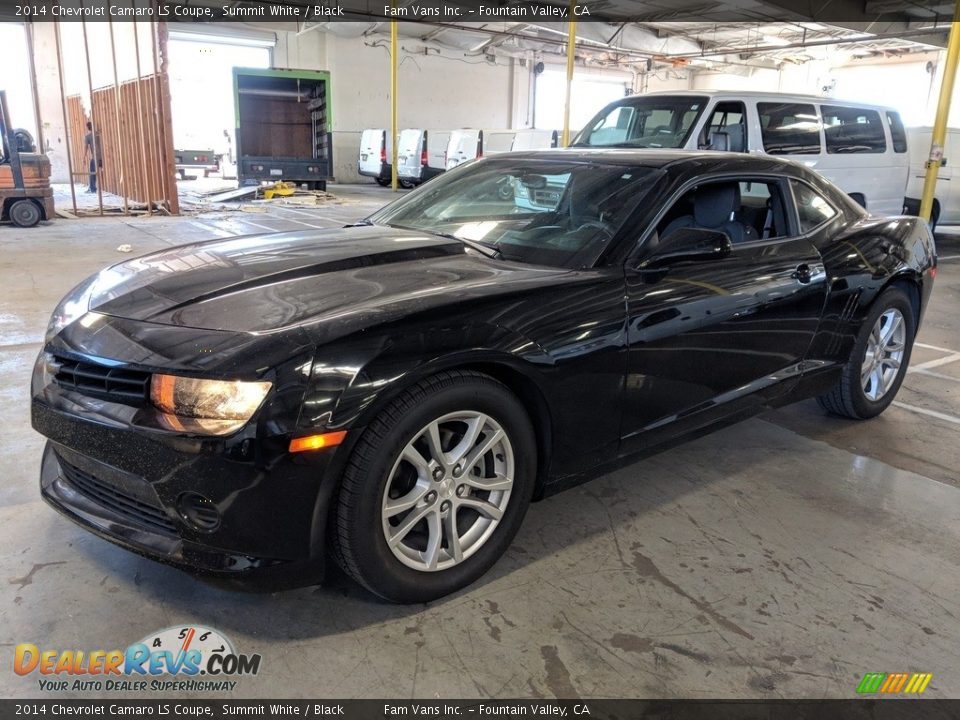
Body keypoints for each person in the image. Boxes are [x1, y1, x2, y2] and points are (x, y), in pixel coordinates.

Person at [83, 121, 103, 194]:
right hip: (103, 156)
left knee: (92, 172)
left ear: (88, 128)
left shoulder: (88, 136)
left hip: (96, 156)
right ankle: (92, 187)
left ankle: (92, 188)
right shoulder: (98, 134)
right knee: (96, 171)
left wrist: (84, 158)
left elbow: (86, 148)